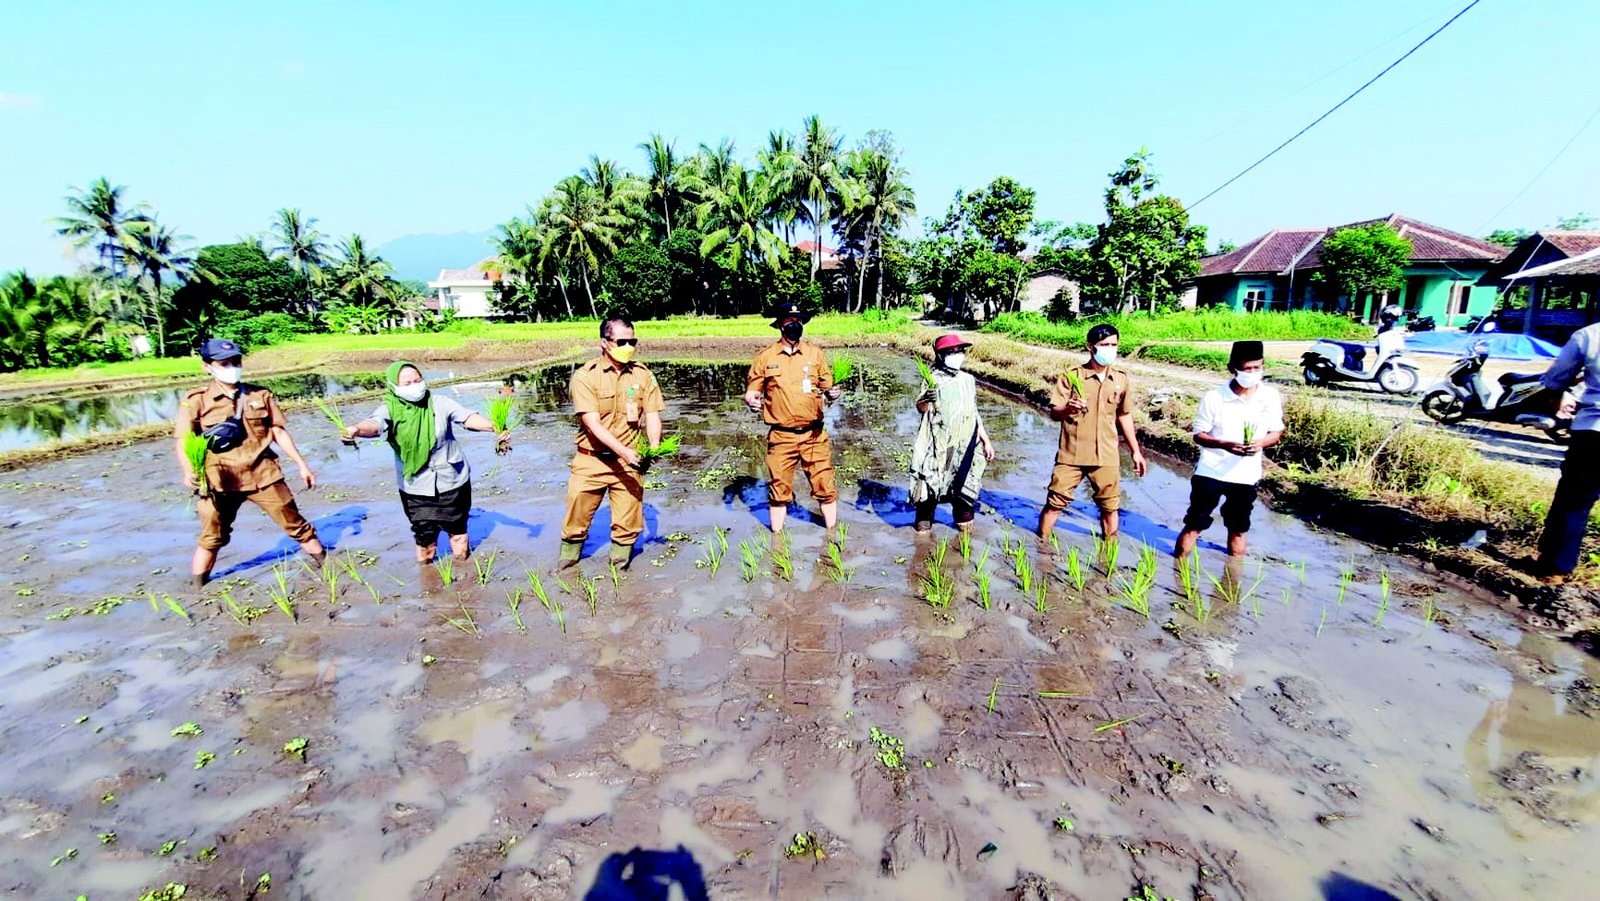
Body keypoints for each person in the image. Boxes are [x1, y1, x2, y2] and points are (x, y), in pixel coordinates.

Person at [174, 338, 324, 588]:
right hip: (219, 481)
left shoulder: (260, 395)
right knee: (211, 537)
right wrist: (188, 470)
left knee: (296, 525)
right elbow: (183, 440)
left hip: (263, 475)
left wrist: (301, 464)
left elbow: (278, 432)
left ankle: (327, 566)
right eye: (224, 363)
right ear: (207, 366)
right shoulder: (196, 401)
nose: (232, 367)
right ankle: (197, 588)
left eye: (236, 361)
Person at [341, 361, 510, 563]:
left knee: (458, 533)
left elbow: (466, 418)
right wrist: (356, 430)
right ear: (394, 386)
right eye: (407, 383)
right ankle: (428, 577)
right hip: (415, 487)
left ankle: (463, 574)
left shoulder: (440, 402)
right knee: (425, 540)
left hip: (453, 480)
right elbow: (375, 425)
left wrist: (493, 426)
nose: (415, 385)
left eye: (418, 380)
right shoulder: (390, 409)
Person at [560, 318, 664, 569]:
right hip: (591, 459)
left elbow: (652, 414)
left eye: (632, 341)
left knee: (628, 521)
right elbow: (591, 424)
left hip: (629, 463)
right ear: (604, 343)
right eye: (622, 342)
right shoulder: (585, 377)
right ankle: (568, 563)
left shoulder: (642, 374)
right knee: (577, 517)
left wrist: (654, 446)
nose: (628, 346)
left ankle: (620, 567)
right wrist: (623, 452)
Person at [1174, 341, 1286, 559]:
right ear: (1232, 368)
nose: (1252, 373)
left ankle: (1233, 578)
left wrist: (1260, 443)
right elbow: (1199, 434)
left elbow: (1276, 432)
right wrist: (1225, 444)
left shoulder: (1270, 396)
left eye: (1257, 368)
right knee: (1194, 524)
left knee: (1238, 527)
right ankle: (1178, 568)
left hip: (1246, 476)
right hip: (1211, 472)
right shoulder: (1214, 397)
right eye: (1247, 369)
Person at [1038, 323, 1147, 542]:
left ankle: (1109, 551)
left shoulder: (1121, 380)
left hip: (1106, 455)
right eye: (1104, 345)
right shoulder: (1072, 377)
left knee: (1110, 506)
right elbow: (1054, 413)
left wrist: (1136, 451)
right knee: (1055, 503)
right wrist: (1068, 408)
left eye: (1113, 345)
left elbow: (1124, 416)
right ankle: (1041, 545)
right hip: (1072, 454)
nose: (1110, 349)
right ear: (1090, 347)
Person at [744, 303, 843, 536]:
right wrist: (750, 398)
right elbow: (752, 389)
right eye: (789, 321)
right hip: (781, 436)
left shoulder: (815, 354)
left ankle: (832, 535)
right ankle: (776, 540)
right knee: (779, 489)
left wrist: (833, 393)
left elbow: (829, 388)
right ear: (779, 324)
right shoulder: (765, 357)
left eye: (798, 321)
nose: (794, 325)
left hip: (814, 435)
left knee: (825, 485)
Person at [1530, 321, 1600, 585]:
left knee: (1575, 500)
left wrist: (1556, 394)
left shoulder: (1590, 335)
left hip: (1594, 431)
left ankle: (1554, 568)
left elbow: (1556, 378)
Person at [909, 333, 995, 535]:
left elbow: (973, 412)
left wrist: (985, 440)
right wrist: (925, 398)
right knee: (928, 495)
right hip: (938, 446)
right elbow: (922, 408)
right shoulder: (932, 380)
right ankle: (922, 545)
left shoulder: (968, 380)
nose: (957, 355)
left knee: (964, 496)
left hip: (965, 445)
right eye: (951, 352)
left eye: (960, 351)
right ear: (940, 355)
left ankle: (965, 543)